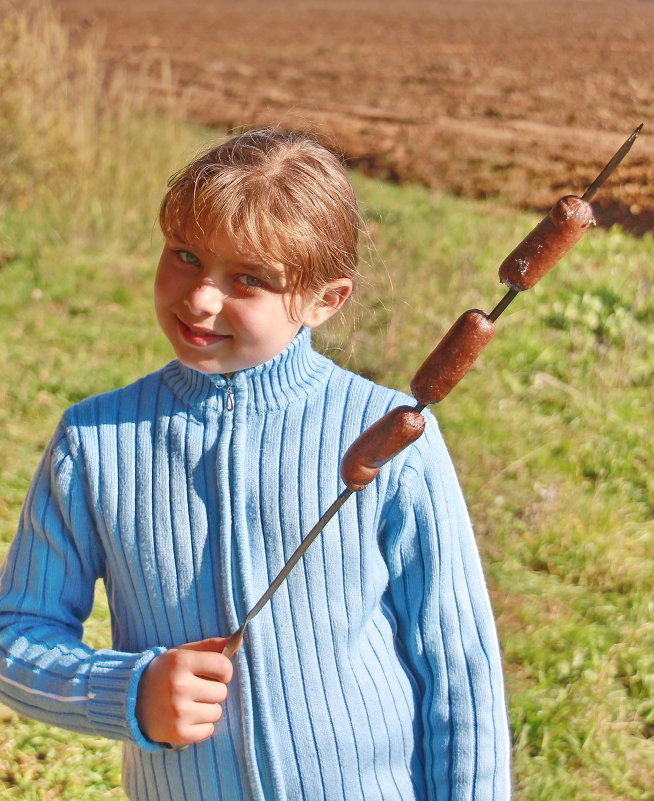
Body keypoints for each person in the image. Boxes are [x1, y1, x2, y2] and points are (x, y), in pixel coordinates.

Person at [0, 128, 510, 801]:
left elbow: (458, 664)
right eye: (185, 255)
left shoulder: (391, 435)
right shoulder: (95, 441)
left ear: (326, 300)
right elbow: (17, 636)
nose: (202, 298)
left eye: (248, 279)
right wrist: (129, 692)